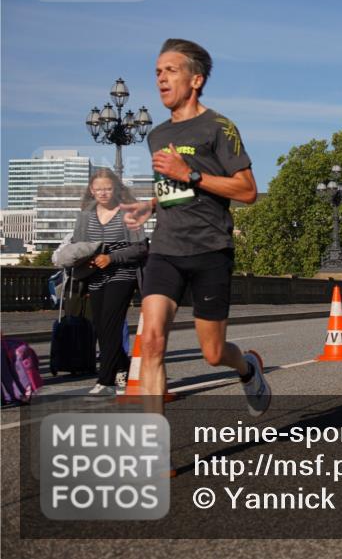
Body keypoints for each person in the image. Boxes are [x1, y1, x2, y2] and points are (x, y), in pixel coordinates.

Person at [122, 38, 270, 416]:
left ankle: (247, 368)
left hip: (209, 249)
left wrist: (189, 173)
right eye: (157, 72)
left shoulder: (219, 127)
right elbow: (175, 189)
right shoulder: (157, 135)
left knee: (213, 352)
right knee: (151, 342)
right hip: (165, 249)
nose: (160, 79)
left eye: (171, 71)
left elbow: (247, 191)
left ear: (196, 80)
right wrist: (151, 204)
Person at [73, 169, 147, 397]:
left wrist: (112, 258)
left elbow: (141, 248)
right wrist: (86, 258)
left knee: (111, 324)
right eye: (98, 189)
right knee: (101, 327)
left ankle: (105, 381)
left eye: (107, 188)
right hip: (95, 275)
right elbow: (77, 245)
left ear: (116, 189)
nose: (103, 193)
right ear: (91, 190)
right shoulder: (85, 215)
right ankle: (123, 366)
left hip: (122, 274)